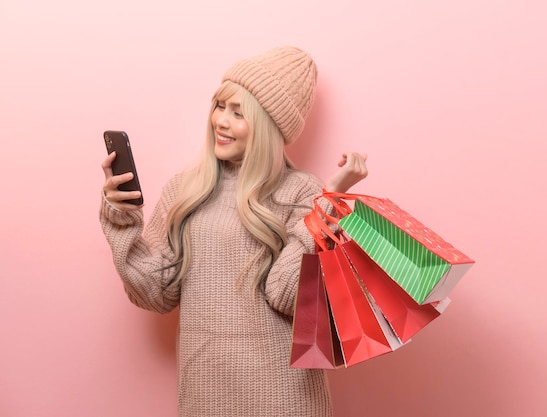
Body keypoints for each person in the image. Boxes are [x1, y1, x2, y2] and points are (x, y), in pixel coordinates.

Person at [100, 46, 368, 417]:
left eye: (238, 113)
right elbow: (155, 294)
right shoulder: (185, 190)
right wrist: (122, 220)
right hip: (205, 394)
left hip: (286, 399)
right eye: (220, 105)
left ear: (269, 127)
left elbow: (287, 295)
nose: (220, 121)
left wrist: (328, 205)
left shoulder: (302, 192)